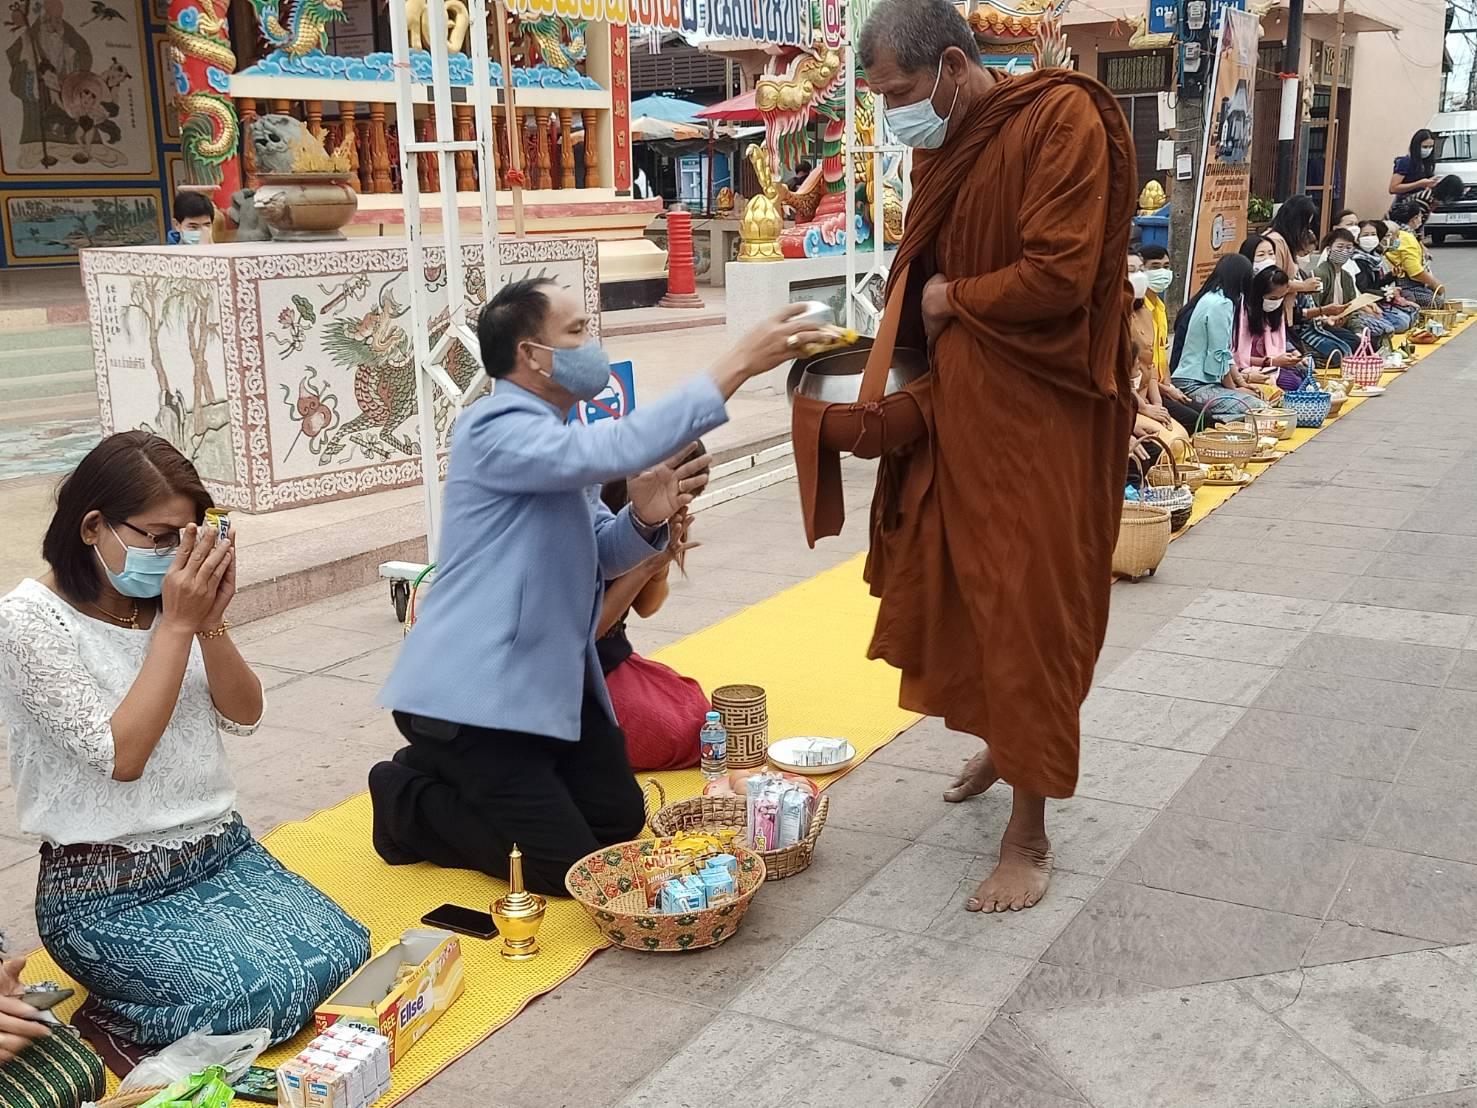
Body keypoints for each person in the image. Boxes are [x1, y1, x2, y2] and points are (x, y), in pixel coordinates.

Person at [369, 280, 828, 895]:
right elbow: (626, 443)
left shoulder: (555, 435)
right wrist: (740, 359)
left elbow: (605, 556)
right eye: (579, 332)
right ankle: (405, 801)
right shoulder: (494, 429)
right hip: (471, 699)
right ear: (533, 356)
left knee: (619, 823)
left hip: (547, 682)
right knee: (568, 870)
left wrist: (647, 517)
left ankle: (470, 777)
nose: (594, 345)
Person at [855, 0, 1136, 913]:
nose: (895, 112)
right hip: (961, 414)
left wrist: (946, 302)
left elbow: (1057, 274)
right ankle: (999, 739)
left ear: (949, 64)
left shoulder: (1062, 118)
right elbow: (918, 269)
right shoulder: (941, 145)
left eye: (899, 92)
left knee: (1027, 605)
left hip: (1042, 418)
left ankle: (1029, 834)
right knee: (963, 590)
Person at [0, 432, 369, 1049]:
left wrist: (211, 621)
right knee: (262, 994)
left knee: (344, 951)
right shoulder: (28, 621)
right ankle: (109, 1024)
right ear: (94, 527)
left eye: (190, 537)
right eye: (160, 537)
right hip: (103, 891)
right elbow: (124, 756)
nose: (177, 556)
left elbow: (246, 714)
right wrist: (177, 624)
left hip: (220, 851)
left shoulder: (168, 603)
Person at [596, 458, 711, 773]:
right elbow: (585, 634)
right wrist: (648, 563)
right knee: (682, 732)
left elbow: (646, 607)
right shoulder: (592, 517)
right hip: (574, 677)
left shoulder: (653, 515)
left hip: (613, 659)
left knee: (696, 710)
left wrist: (660, 564)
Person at [1169, 253, 1263, 423]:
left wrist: (1240, 382)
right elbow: (1218, 354)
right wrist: (1235, 390)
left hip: (1195, 380)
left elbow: (1224, 353)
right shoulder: (1222, 304)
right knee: (1259, 409)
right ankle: (1217, 424)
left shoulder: (1211, 297)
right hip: (1194, 383)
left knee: (1255, 403)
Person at [1236, 267, 1308, 392]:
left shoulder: (1276, 313)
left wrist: (1296, 357)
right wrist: (1272, 361)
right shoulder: (1243, 313)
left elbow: (1280, 344)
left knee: (1305, 374)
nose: (1276, 302)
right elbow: (1238, 357)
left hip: (1272, 364)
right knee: (1294, 384)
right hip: (1247, 367)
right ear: (1259, 294)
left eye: (1281, 297)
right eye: (1273, 298)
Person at [1264, 195, 1321, 316]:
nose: (1305, 230)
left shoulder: (1284, 241)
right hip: (1275, 312)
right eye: (1305, 225)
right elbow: (1274, 282)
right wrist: (1303, 286)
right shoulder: (1276, 241)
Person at [1386, 198, 1443, 307]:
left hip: (1401, 282)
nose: (1421, 219)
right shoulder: (1406, 237)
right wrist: (1435, 284)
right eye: (1420, 216)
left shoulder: (1403, 233)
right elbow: (1415, 272)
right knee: (1437, 302)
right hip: (1405, 285)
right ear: (1414, 218)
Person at [1390, 129, 1440, 203]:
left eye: (1431, 147)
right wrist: (1419, 183)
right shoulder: (1405, 162)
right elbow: (1393, 188)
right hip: (1404, 205)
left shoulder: (1427, 163)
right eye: (1425, 147)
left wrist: (1431, 182)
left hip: (1421, 204)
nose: (1428, 150)